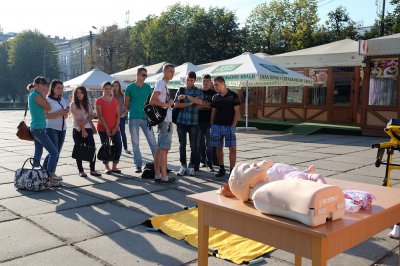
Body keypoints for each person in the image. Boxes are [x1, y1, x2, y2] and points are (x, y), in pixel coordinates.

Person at [227, 160, 327, 201]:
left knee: (316, 178)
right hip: (293, 180)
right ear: (240, 183)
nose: (253, 164)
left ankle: (325, 190)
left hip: (295, 176)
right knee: (311, 181)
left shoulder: (267, 175)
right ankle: (324, 192)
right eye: (247, 168)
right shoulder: (264, 185)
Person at [27, 76, 61, 187]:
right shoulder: (36, 95)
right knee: (54, 152)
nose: (45, 87)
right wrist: (43, 95)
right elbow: (48, 107)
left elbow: (46, 107)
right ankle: (50, 177)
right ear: (36, 85)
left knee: (38, 152)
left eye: (45, 85)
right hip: (38, 129)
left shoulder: (34, 95)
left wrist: (43, 95)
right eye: (42, 85)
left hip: (38, 128)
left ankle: (34, 175)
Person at [124, 67, 158, 173]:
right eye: (143, 75)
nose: (144, 77)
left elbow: (151, 102)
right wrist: (134, 110)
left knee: (153, 142)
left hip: (146, 118)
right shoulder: (130, 87)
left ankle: (159, 164)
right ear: (137, 75)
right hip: (133, 117)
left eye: (146, 75)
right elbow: (126, 104)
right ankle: (138, 165)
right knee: (135, 143)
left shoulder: (148, 87)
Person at [150, 64, 176, 183]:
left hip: (165, 120)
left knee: (160, 149)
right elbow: (152, 100)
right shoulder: (161, 83)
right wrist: (167, 104)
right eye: (170, 71)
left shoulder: (163, 84)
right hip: (165, 121)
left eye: (173, 71)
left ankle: (158, 175)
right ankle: (164, 176)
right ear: (164, 71)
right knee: (164, 150)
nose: (172, 73)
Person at [210, 76, 241, 177]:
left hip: (229, 126)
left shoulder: (234, 95)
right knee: (218, 148)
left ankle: (232, 171)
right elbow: (213, 112)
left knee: (232, 148)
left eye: (216, 84)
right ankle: (221, 168)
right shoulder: (215, 97)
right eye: (214, 85)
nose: (215, 86)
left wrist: (233, 126)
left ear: (223, 84)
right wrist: (212, 125)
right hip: (217, 125)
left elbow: (237, 112)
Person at [174, 71, 203, 176]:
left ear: (194, 80)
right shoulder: (181, 89)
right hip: (181, 121)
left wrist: (186, 97)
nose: (189, 82)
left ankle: (191, 166)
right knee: (182, 145)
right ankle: (183, 165)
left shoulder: (198, 91)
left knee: (194, 146)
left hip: (193, 122)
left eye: (191, 80)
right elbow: (175, 104)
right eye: (187, 80)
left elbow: (199, 102)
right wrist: (188, 103)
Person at [70, 86, 101, 177]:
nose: (79, 95)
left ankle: (92, 169)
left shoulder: (87, 103)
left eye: (81, 93)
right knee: (79, 150)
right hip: (78, 129)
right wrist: (83, 130)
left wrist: (90, 124)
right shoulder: (73, 104)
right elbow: (78, 120)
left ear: (84, 94)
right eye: (77, 93)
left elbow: (91, 115)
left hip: (88, 129)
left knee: (92, 149)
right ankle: (81, 170)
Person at [43, 80, 69, 179]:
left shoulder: (62, 99)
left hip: (62, 129)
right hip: (51, 128)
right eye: (58, 88)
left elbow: (65, 116)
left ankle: (46, 171)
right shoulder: (47, 100)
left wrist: (65, 113)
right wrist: (59, 113)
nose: (60, 90)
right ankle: (51, 173)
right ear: (52, 88)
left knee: (56, 152)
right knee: (54, 152)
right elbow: (45, 115)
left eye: (62, 88)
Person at [96, 81, 122, 174]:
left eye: (109, 88)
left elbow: (118, 115)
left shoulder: (115, 101)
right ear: (102, 89)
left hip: (115, 127)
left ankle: (114, 166)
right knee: (105, 147)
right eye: (105, 88)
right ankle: (107, 167)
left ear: (112, 89)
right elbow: (100, 115)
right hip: (103, 128)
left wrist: (116, 127)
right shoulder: (99, 100)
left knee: (118, 146)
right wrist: (107, 128)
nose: (107, 90)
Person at [197, 74, 216, 172]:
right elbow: (197, 106)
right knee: (200, 143)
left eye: (208, 81)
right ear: (202, 81)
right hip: (199, 121)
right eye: (204, 80)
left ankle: (210, 163)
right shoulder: (198, 92)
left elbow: (213, 107)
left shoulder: (214, 93)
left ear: (210, 82)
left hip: (209, 121)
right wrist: (206, 105)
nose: (206, 82)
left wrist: (202, 104)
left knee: (210, 144)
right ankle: (202, 160)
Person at [112, 80, 131, 154]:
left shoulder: (122, 95)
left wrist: (124, 113)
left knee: (122, 132)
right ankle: (113, 147)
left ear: (119, 86)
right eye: (114, 85)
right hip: (113, 117)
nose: (115, 87)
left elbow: (126, 105)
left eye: (117, 85)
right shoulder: (111, 95)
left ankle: (125, 148)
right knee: (113, 132)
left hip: (122, 117)